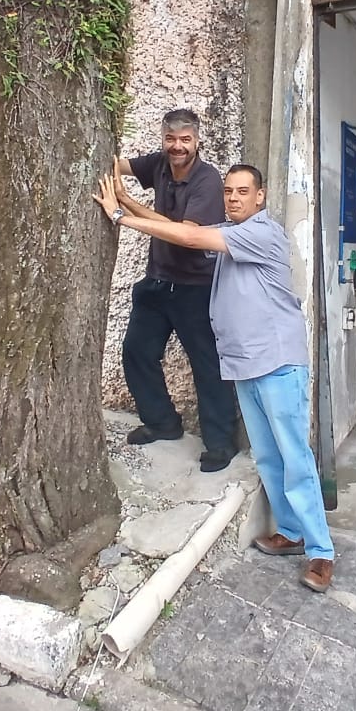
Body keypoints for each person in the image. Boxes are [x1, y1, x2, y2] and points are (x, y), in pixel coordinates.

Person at [94, 163, 335, 593]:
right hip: (246, 365)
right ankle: (293, 533)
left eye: (243, 191)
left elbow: (189, 236)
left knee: (295, 458)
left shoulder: (261, 233)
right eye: (228, 191)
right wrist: (130, 202)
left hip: (278, 364)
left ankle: (321, 552)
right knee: (268, 457)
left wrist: (119, 219)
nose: (234, 198)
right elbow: (180, 228)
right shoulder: (230, 232)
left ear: (260, 197)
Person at [112, 109, 239, 473]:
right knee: (137, 351)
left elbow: (184, 233)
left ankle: (220, 444)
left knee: (207, 366)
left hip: (195, 286)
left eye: (185, 139)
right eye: (171, 139)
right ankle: (163, 423)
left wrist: (126, 204)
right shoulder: (159, 165)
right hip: (157, 280)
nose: (177, 146)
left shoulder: (208, 181)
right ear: (163, 139)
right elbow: (116, 162)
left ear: (197, 141)